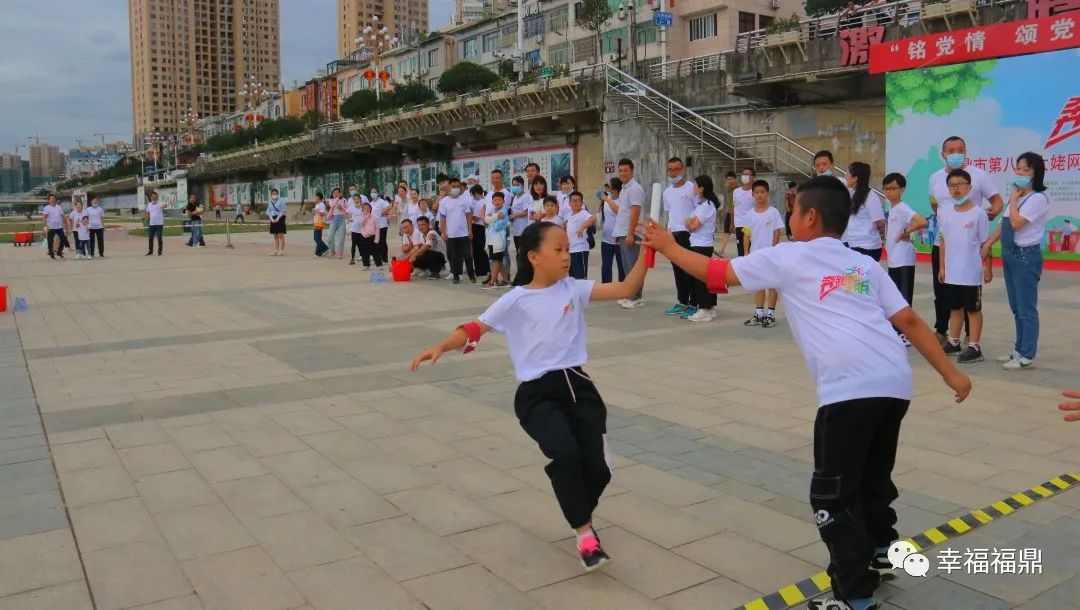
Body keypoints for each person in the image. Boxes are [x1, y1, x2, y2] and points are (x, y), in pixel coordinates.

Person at [643, 176, 972, 610]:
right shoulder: (864, 265)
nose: (790, 216)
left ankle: (854, 596)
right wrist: (951, 374)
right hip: (893, 384)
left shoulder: (789, 256)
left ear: (810, 217)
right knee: (872, 477)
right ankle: (881, 549)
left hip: (848, 390)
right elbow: (908, 320)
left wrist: (668, 246)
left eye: (794, 209)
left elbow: (715, 273)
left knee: (832, 495)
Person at [410, 221, 649, 572]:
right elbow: (476, 327)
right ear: (534, 256)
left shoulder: (574, 289)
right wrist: (441, 347)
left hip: (579, 388)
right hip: (537, 395)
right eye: (558, 250)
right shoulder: (516, 299)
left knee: (598, 470)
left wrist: (648, 252)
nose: (566, 256)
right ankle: (585, 533)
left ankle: (576, 508)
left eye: (568, 249)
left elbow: (627, 287)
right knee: (566, 455)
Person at [928, 136, 1003, 342]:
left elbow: (997, 201)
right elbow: (934, 204)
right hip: (943, 244)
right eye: (951, 150)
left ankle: (972, 338)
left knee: (969, 293)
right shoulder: (935, 178)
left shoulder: (979, 176)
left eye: (960, 150)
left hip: (969, 246)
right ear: (943, 154)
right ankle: (942, 331)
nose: (956, 154)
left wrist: (990, 213)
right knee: (942, 291)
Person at [981, 152, 1050, 370]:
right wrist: (989, 243)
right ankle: (1018, 349)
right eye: (1018, 168)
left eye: (1025, 169)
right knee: (1016, 307)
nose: (1020, 172)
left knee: (1026, 308)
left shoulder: (1037, 199)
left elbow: (1016, 223)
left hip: (1025, 256)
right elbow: (1004, 225)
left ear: (1036, 174)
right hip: (1010, 255)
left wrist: (1013, 200)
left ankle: (1027, 354)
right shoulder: (1017, 197)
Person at [938, 169, 991, 364]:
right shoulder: (945, 212)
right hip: (952, 272)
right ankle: (954, 342)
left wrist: (988, 267)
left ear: (969, 187)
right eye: (952, 185)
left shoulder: (979, 214)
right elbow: (942, 240)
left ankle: (975, 347)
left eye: (960, 184)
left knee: (973, 310)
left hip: (970, 272)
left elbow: (985, 243)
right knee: (954, 308)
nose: (956, 189)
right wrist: (942, 268)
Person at [882, 173, 928, 346]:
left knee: (903, 298)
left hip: (903, 259)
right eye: (886, 188)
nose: (889, 192)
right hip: (895, 259)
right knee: (896, 298)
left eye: (893, 188)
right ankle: (897, 331)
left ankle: (906, 334)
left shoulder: (902, 207)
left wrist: (906, 232)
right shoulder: (893, 208)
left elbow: (922, 221)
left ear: (902, 189)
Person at [743, 180, 784, 328]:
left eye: (762, 192)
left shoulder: (773, 212)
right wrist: (746, 253)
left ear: (767, 193)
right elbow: (746, 234)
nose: (759, 195)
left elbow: (777, 233)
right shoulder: (749, 214)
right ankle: (759, 313)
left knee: (772, 285)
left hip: (771, 255)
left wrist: (773, 249)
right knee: (759, 285)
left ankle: (770, 314)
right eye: (757, 192)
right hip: (755, 256)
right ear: (752, 194)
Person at [661, 157, 699, 318]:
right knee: (677, 270)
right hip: (673, 235)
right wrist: (667, 233)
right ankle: (682, 301)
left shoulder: (691, 188)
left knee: (690, 270)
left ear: (683, 170)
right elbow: (670, 214)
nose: (673, 173)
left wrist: (693, 227)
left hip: (688, 235)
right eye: (670, 170)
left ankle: (694, 303)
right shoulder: (667, 192)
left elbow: (699, 210)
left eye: (676, 169)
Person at [611, 158, 647, 309]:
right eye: (620, 171)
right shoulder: (625, 188)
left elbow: (635, 212)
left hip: (631, 233)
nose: (622, 173)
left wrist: (630, 234)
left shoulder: (635, 189)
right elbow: (623, 213)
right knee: (626, 267)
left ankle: (636, 297)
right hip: (623, 233)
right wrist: (619, 234)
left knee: (633, 267)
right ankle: (630, 294)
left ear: (632, 171)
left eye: (626, 170)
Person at [684, 176, 720, 322]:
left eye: (695, 186)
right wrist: (689, 223)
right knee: (703, 277)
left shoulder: (707, 206)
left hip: (702, 245)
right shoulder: (700, 204)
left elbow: (692, 226)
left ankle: (704, 308)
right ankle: (709, 307)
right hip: (697, 244)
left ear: (701, 188)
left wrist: (689, 224)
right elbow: (688, 222)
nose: (693, 188)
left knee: (700, 278)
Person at [842, 162, 886, 260]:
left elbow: (880, 222)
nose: (845, 176)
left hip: (867, 247)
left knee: (861, 271)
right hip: (853, 244)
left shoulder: (870, 196)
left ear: (855, 178)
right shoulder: (853, 193)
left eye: (847, 173)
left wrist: (867, 231)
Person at [439, 177, 476, 284]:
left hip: (464, 233)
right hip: (451, 234)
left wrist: (470, 230)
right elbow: (442, 218)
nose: (456, 188)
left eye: (457, 186)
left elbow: (468, 215)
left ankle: (471, 274)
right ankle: (456, 275)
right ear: (449, 187)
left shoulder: (465, 200)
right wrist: (444, 232)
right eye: (453, 186)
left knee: (467, 255)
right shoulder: (444, 201)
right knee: (453, 256)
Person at [598, 178, 626, 284]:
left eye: (609, 186)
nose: (607, 188)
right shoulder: (606, 199)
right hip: (606, 239)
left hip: (619, 240)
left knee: (622, 266)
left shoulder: (623, 199)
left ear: (615, 188)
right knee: (606, 266)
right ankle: (606, 287)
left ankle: (622, 287)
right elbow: (601, 211)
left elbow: (618, 211)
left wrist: (607, 199)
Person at [483, 192, 511, 289]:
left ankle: (492, 282)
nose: (497, 201)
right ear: (492, 201)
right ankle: (506, 281)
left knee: (496, 260)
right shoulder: (492, 210)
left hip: (499, 240)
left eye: (499, 199)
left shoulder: (504, 211)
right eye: (495, 200)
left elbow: (497, 226)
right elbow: (485, 220)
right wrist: (495, 217)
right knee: (498, 260)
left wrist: (490, 219)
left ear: (503, 201)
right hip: (491, 239)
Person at [566, 191, 596, 280]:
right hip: (571, 250)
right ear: (569, 203)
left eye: (578, 200)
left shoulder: (583, 213)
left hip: (580, 249)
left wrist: (582, 227)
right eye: (573, 200)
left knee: (581, 277)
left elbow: (593, 219)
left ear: (582, 203)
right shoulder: (569, 215)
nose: (575, 202)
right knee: (572, 277)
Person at [469, 185, 492, 281]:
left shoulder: (479, 202)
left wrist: (469, 214)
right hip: (485, 227)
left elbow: (476, 217)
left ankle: (480, 270)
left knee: (477, 250)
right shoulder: (487, 200)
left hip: (478, 226)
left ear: (475, 193)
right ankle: (486, 268)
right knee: (482, 249)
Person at [732, 167, 756, 257]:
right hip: (739, 224)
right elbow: (734, 207)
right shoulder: (736, 191)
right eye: (743, 174)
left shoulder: (756, 192)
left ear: (753, 177)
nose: (744, 176)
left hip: (751, 224)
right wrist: (732, 223)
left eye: (747, 174)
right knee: (741, 250)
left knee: (751, 249)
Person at [352, 201, 381, 269]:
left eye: (368, 208)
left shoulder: (374, 218)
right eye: (364, 208)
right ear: (362, 210)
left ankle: (378, 264)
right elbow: (361, 223)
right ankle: (366, 265)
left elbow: (377, 229)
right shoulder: (362, 217)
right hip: (364, 236)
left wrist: (376, 239)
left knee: (375, 251)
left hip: (372, 236)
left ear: (370, 209)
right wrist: (365, 217)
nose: (366, 209)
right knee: (364, 252)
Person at [324, 187, 348, 259]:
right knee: (330, 237)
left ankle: (340, 253)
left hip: (341, 219)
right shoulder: (331, 200)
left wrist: (342, 208)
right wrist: (337, 198)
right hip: (334, 219)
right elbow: (332, 205)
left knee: (341, 238)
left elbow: (347, 209)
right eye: (334, 193)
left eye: (337, 193)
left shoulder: (344, 200)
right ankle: (332, 250)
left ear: (340, 193)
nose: (335, 194)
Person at [719, 171, 738, 257]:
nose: (729, 181)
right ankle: (721, 251)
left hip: (738, 214)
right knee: (726, 232)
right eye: (728, 179)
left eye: (731, 179)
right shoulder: (727, 190)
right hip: (729, 213)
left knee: (741, 233)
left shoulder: (738, 190)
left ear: (735, 179)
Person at [509, 175, 532, 249]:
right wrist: (511, 217)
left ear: (522, 185)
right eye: (514, 185)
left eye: (517, 185)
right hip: (516, 228)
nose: (515, 187)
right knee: (517, 250)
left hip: (523, 228)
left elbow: (526, 212)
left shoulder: (526, 196)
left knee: (523, 251)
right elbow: (514, 210)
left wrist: (514, 216)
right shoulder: (515, 197)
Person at [145, 191, 169, 256]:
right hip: (152, 224)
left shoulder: (160, 204)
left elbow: (165, 205)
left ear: (157, 197)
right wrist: (146, 219)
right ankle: (150, 251)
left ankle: (159, 251)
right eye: (153, 196)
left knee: (159, 238)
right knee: (150, 238)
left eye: (155, 196)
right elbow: (147, 212)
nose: (154, 198)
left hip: (159, 224)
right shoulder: (149, 204)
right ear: (151, 197)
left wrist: (164, 205)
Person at [267, 188, 287, 256]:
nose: (274, 195)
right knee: (275, 235)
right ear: (271, 195)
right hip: (273, 219)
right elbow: (268, 212)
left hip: (280, 218)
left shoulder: (282, 201)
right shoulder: (270, 202)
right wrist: (272, 219)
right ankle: (276, 250)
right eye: (273, 194)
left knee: (280, 235)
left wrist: (278, 218)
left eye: (275, 193)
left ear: (278, 194)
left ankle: (281, 250)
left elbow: (283, 211)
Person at [312, 191, 330, 258]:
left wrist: (317, 211)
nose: (314, 198)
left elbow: (323, 214)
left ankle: (325, 248)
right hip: (316, 222)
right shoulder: (317, 204)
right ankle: (318, 253)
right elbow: (316, 213)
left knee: (316, 238)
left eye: (315, 196)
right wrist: (314, 212)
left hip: (319, 223)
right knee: (318, 238)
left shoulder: (322, 205)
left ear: (318, 197)